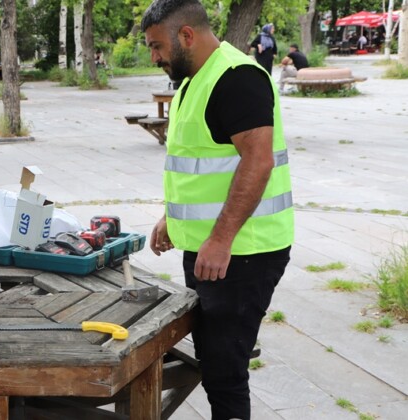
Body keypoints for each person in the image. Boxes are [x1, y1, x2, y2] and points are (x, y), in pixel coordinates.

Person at [141, 1, 293, 419]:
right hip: (215, 250)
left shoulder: (238, 77)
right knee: (215, 364)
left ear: (186, 35)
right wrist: (171, 217)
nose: (154, 57)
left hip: (243, 252)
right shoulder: (194, 80)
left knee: (225, 372)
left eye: (157, 47)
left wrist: (221, 238)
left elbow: (257, 161)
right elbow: (198, 162)